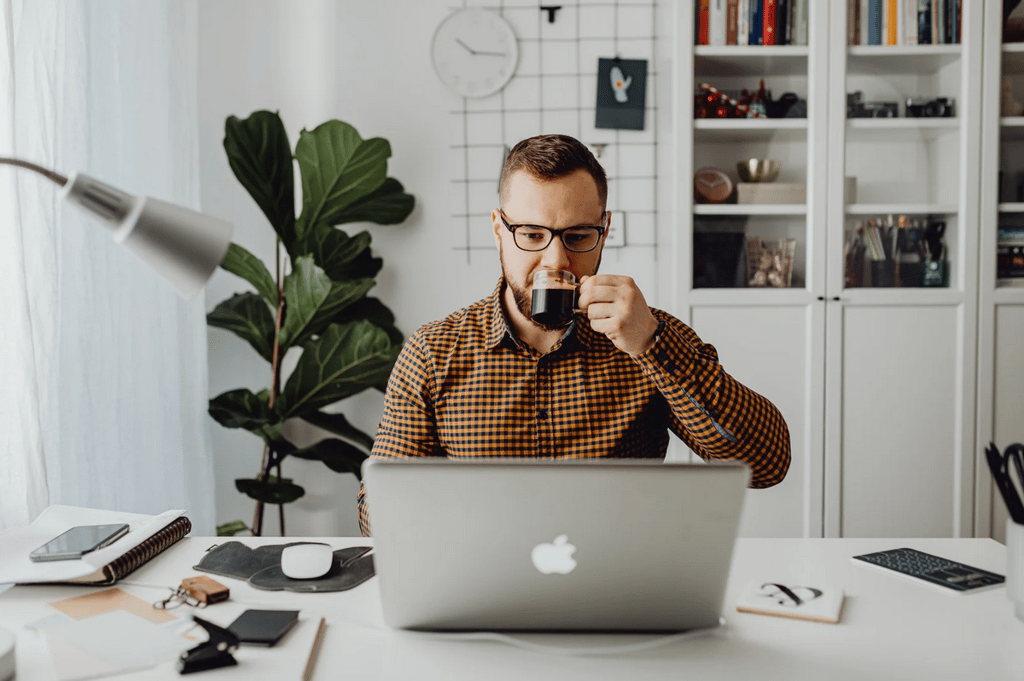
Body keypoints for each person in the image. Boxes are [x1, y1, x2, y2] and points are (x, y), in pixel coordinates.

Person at [357, 134, 790, 536]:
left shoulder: (649, 336)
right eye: (531, 234)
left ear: (603, 231)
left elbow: (767, 464)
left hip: (616, 595)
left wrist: (655, 347)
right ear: (497, 230)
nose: (556, 261)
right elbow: (377, 517)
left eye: (579, 236)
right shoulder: (434, 351)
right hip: (483, 586)